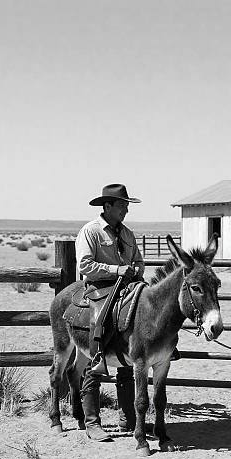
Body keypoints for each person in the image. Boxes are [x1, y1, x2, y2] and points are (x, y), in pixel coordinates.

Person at [75, 183, 146, 441]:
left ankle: (128, 417)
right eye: (123, 205)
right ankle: (92, 422)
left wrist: (136, 270)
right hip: (100, 288)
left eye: (127, 205)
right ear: (108, 206)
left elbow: (138, 260)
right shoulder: (90, 231)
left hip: (127, 287)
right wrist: (116, 270)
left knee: (141, 326)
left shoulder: (127, 233)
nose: (126, 209)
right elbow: (84, 264)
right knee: (98, 330)